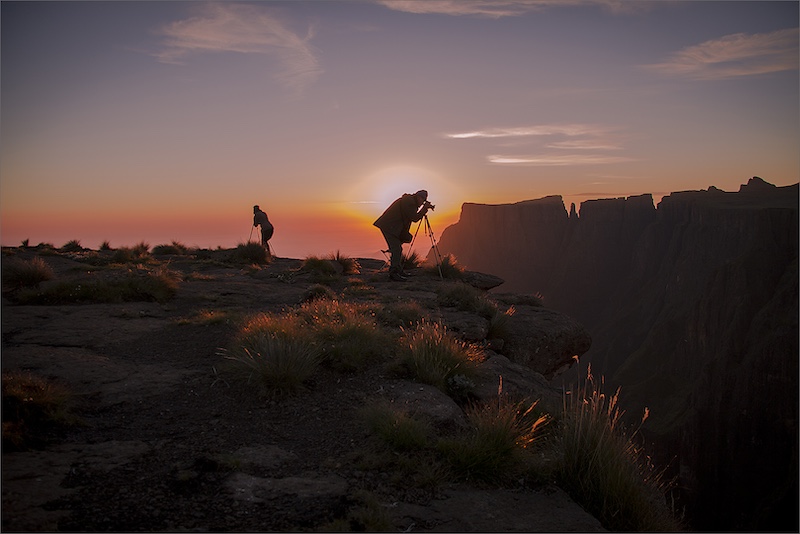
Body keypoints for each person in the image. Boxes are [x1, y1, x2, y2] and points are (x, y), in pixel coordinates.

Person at [374, 190, 433, 281]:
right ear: (418, 197)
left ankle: (398, 270)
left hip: (392, 227)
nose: (422, 203)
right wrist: (424, 209)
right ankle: (393, 273)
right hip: (389, 227)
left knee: (398, 248)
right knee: (396, 249)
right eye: (423, 200)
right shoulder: (409, 203)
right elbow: (414, 218)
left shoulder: (409, 201)